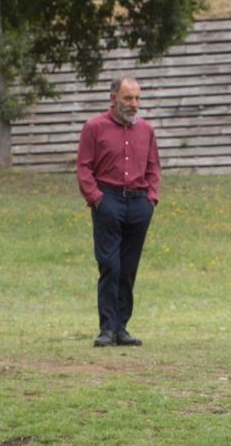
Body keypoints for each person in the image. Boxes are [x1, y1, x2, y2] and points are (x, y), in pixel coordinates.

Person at [76, 76, 160, 348]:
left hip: (138, 203)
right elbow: (84, 167)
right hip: (108, 200)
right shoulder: (94, 127)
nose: (134, 104)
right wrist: (96, 198)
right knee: (110, 265)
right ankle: (106, 329)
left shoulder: (147, 130)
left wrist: (151, 198)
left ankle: (122, 328)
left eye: (137, 98)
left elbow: (153, 167)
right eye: (128, 98)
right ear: (113, 98)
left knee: (128, 269)